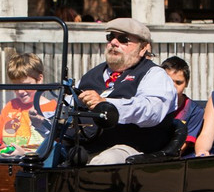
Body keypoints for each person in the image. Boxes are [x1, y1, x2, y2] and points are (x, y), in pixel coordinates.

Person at [76, 18, 177, 165]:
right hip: (85, 144)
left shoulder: (154, 74)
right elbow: (68, 102)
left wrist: (106, 105)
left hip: (131, 148)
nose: (114, 43)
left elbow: (151, 111)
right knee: (42, 154)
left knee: (105, 161)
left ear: (143, 48)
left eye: (123, 39)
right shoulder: (92, 74)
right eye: (111, 37)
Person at [161, 56, 204, 155]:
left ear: (186, 83)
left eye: (178, 82)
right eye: (168, 81)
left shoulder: (195, 111)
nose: (173, 86)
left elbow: (182, 146)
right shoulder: (151, 105)